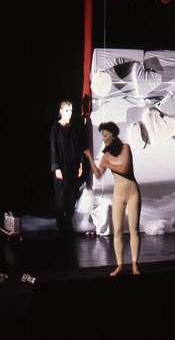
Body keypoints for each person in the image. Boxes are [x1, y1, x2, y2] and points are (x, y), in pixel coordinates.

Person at [84, 122, 141, 276]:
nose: (103, 138)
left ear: (113, 135)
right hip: (118, 195)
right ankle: (120, 265)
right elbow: (98, 174)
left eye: (105, 135)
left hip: (132, 193)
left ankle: (135, 265)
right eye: (102, 135)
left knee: (134, 229)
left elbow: (125, 168)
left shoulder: (126, 148)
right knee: (117, 231)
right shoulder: (106, 156)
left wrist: (108, 164)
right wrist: (90, 158)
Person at [49, 100, 83, 233]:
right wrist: (56, 167)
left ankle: (69, 222)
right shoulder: (55, 129)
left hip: (73, 166)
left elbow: (78, 147)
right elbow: (53, 149)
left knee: (72, 195)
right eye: (67, 110)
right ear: (61, 111)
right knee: (61, 195)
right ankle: (60, 223)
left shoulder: (73, 128)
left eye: (71, 110)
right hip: (61, 166)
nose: (70, 113)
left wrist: (80, 163)